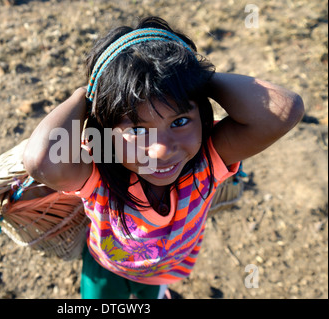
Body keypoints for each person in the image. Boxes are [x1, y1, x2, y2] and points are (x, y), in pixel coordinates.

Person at [23, 16, 304, 299]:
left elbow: (284, 111)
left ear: (203, 119)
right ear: (106, 133)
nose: (161, 150)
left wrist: (194, 79)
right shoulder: (98, 173)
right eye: (136, 129)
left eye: (180, 122)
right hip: (104, 266)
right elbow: (41, 161)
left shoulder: (207, 159)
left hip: (161, 273)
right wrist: (86, 95)